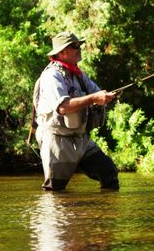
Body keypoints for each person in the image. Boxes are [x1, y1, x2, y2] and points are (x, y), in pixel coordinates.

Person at [34, 31, 119, 191]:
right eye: (75, 46)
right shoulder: (51, 76)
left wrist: (107, 96)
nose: (79, 49)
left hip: (81, 139)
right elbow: (63, 107)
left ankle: (102, 214)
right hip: (58, 141)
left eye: (79, 45)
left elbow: (96, 93)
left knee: (109, 173)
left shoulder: (78, 74)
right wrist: (94, 98)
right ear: (62, 52)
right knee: (55, 190)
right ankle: (54, 216)